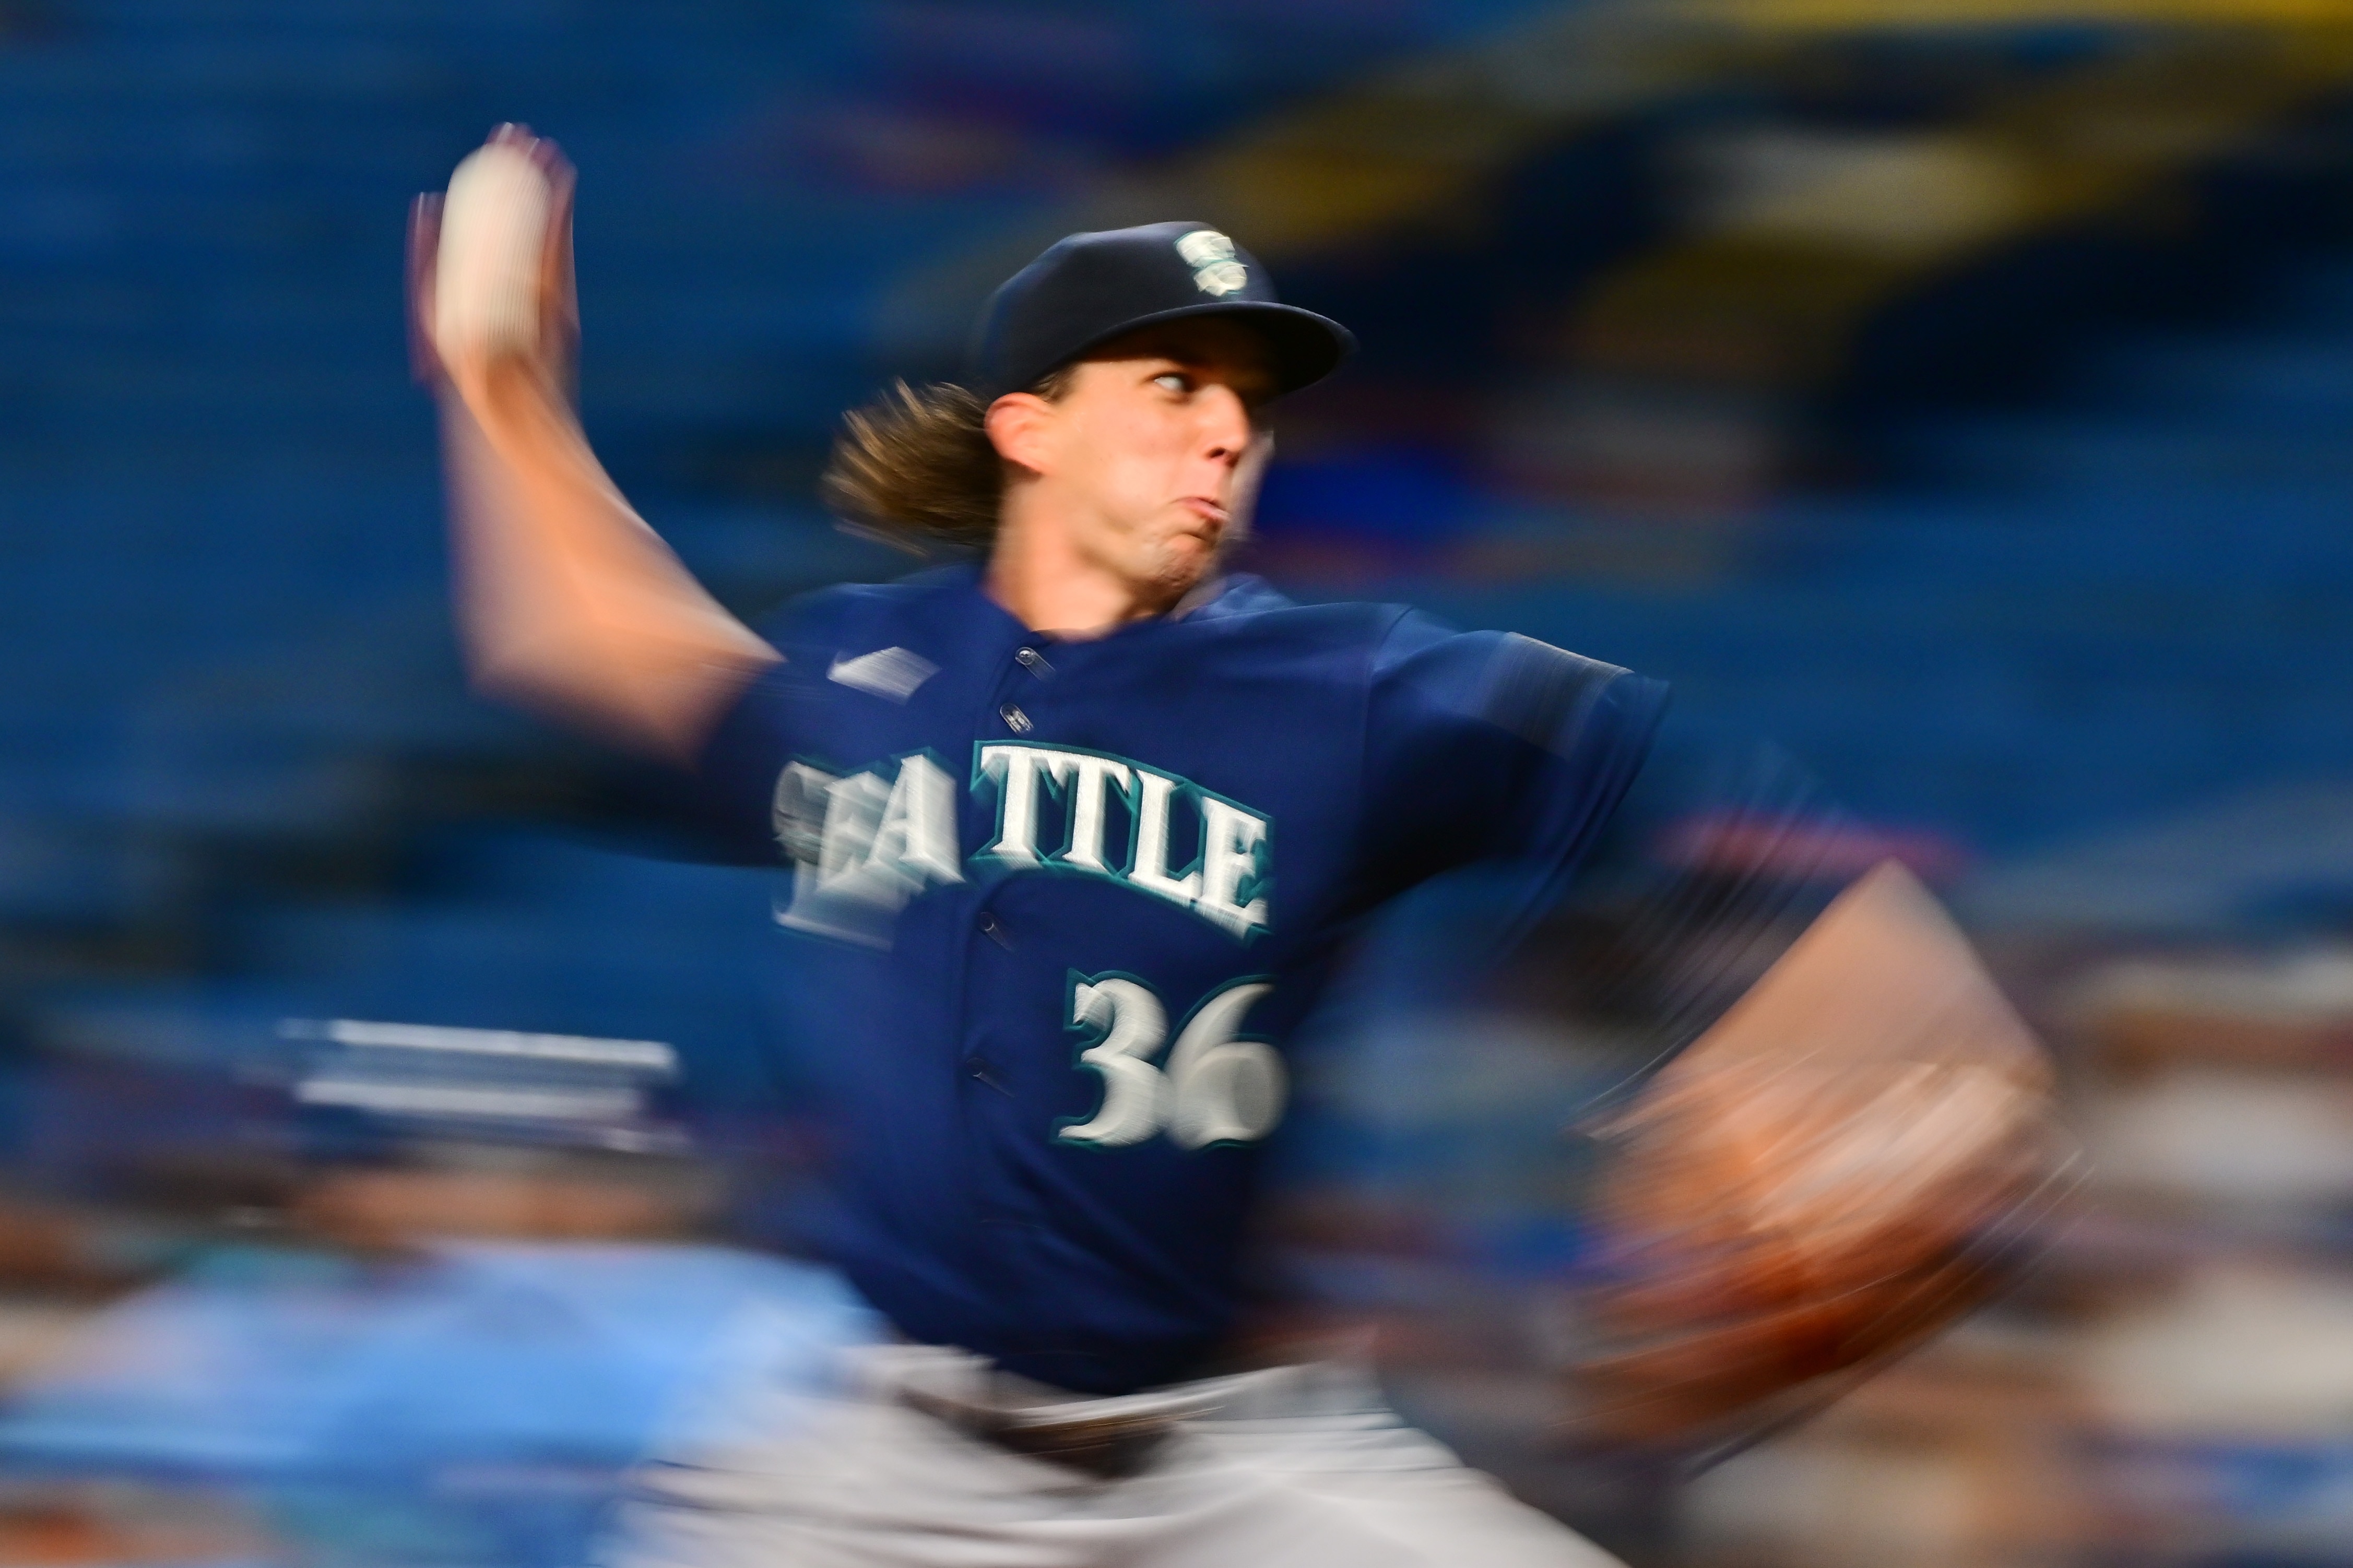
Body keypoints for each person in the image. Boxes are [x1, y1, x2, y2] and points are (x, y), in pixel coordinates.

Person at [413, 124, 1662, 1568]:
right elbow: (590, 638)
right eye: (1175, 384)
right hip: (881, 1466)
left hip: (1228, 1463)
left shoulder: (1349, 696)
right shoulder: (870, 674)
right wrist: (502, 394)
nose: (1227, 434)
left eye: (1248, 406)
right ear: (1029, 426)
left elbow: (1654, 777)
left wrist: (1836, 1027)